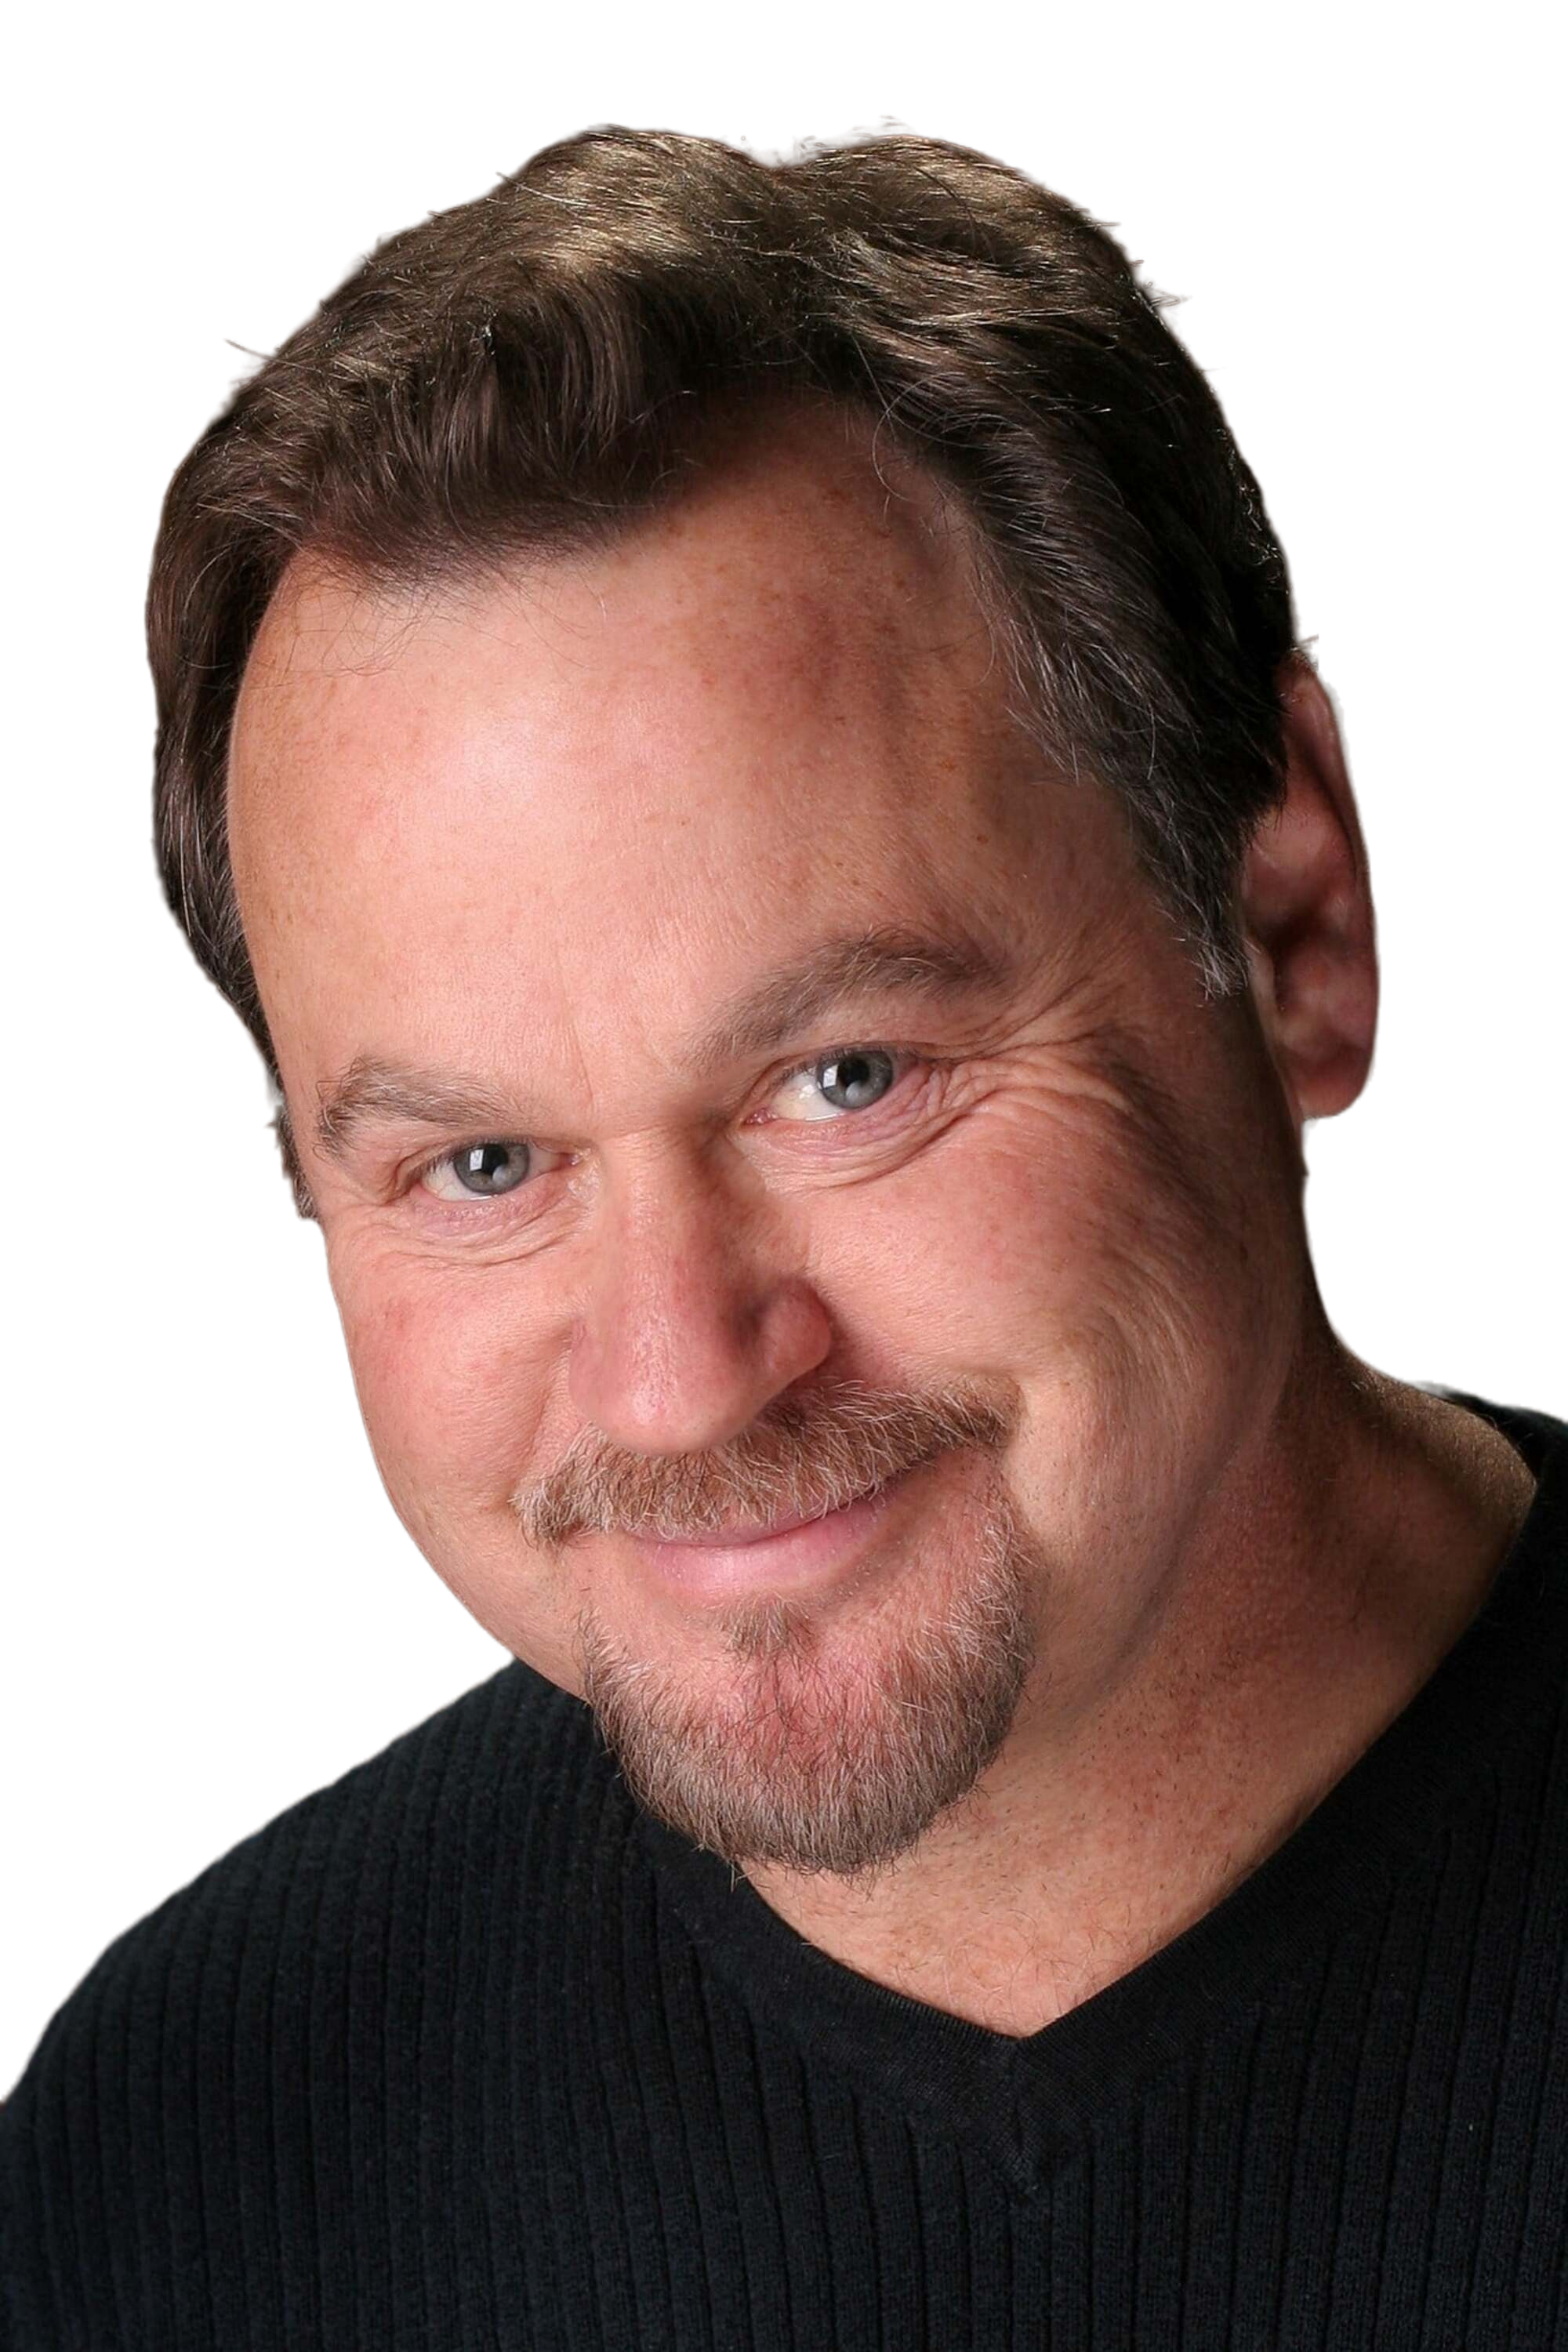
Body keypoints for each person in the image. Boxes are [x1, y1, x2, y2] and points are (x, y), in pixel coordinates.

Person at [4, 118, 1562, 2350]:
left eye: (848, 1078)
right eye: (483, 1167)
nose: (679, 1381)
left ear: (1292, 924)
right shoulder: (174, 2155)